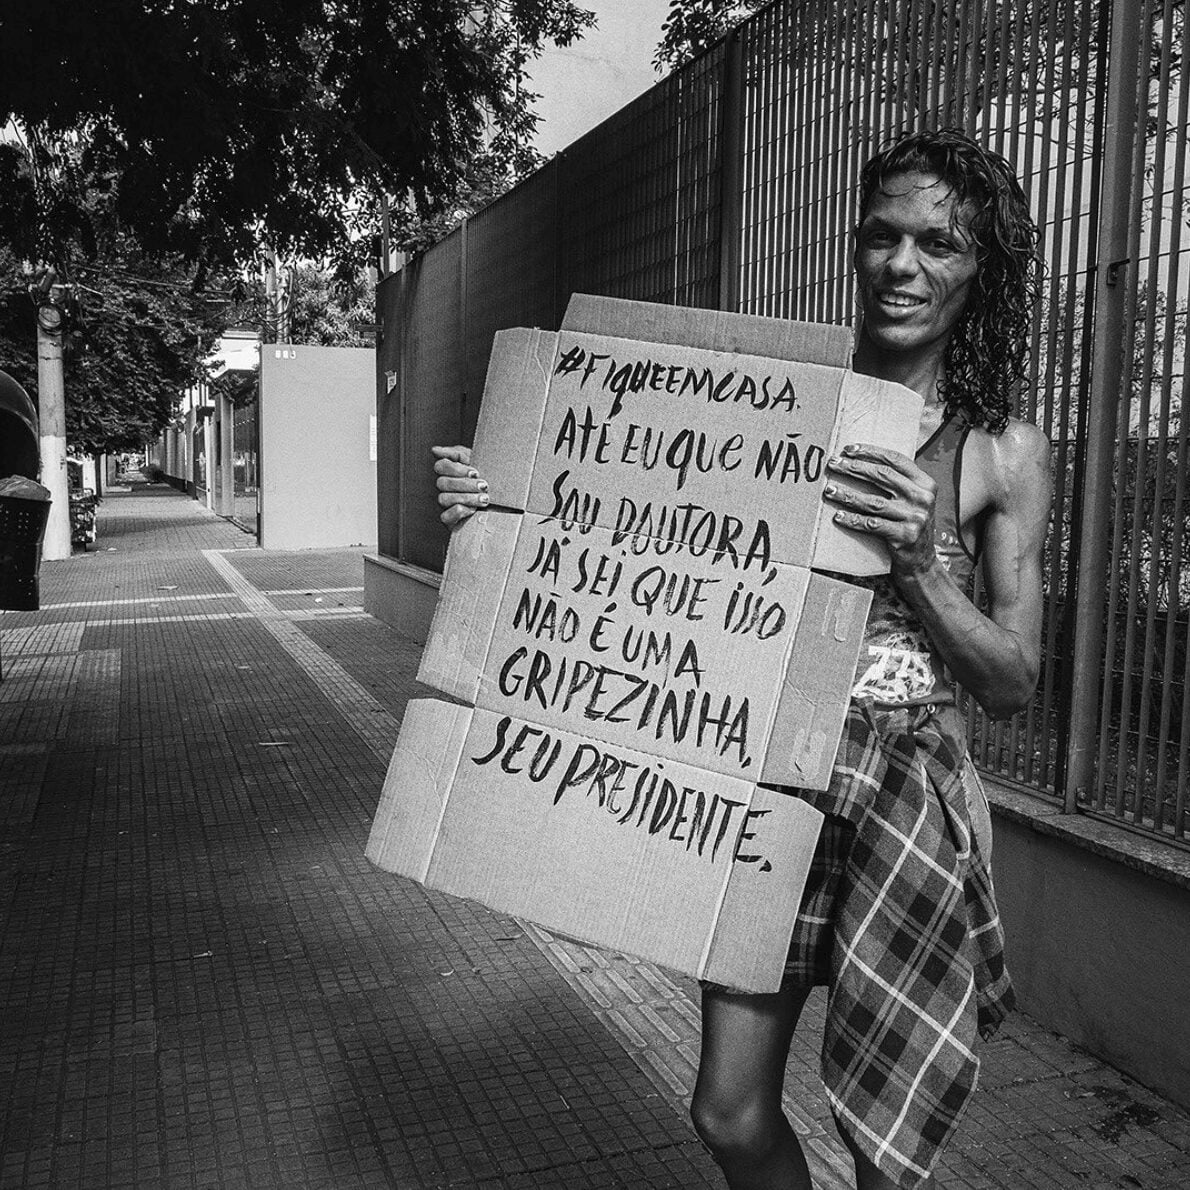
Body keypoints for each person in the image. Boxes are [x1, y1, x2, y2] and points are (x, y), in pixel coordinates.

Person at [431, 129, 1052, 1190]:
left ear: (977, 265)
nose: (903, 266)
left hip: (901, 795)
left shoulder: (1000, 448)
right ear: (855, 247)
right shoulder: (772, 401)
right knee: (725, 1109)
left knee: (882, 1140)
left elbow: (1011, 679)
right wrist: (501, 513)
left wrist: (914, 562)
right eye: (881, 236)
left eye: (938, 244)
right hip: (763, 780)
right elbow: (637, 541)